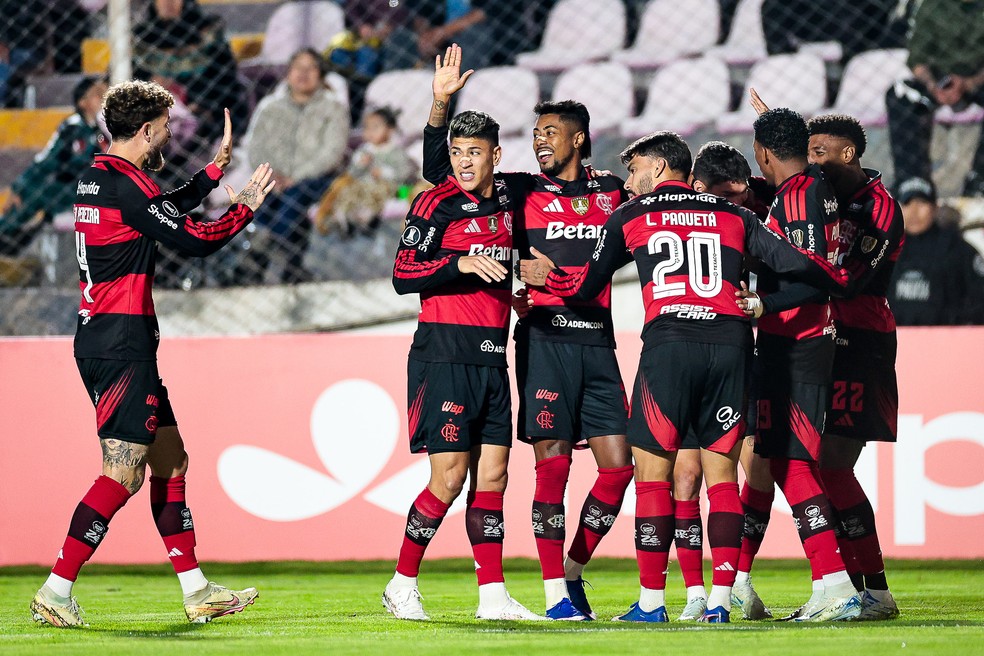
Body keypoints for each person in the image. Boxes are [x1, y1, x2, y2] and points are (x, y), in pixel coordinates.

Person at [519, 131, 851, 624]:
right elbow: (799, 265)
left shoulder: (631, 215)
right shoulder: (736, 216)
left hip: (670, 346)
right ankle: (718, 603)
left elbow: (587, 286)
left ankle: (653, 603)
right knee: (721, 475)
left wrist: (547, 277)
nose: (628, 182)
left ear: (656, 169)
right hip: (732, 346)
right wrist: (828, 279)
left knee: (654, 476)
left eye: (633, 171)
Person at [30, 80, 276, 627]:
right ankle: (56, 588)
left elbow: (154, 211)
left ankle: (197, 590)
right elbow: (197, 239)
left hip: (106, 336)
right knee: (121, 471)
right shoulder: (128, 186)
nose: (170, 133)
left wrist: (211, 175)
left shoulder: (99, 178)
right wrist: (244, 209)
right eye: (166, 126)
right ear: (146, 131)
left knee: (171, 460)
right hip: (121, 344)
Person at [421, 45, 632, 621]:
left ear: (579, 140)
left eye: (551, 133)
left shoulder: (613, 191)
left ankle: (573, 567)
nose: (541, 142)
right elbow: (443, 174)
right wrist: (441, 105)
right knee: (553, 464)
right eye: (536, 133)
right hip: (542, 340)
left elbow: (665, 208)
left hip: (598, 340)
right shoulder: (519, 190)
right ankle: (555, 595)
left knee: (619, 468)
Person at [383, 109, 541, 622]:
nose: (465, 162)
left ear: (495, 155)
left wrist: (516, 282)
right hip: (445, 353)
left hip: (493, 356)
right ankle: (402, 584)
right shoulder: (435, 202)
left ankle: (493, 597)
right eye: (457, 152)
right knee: (448, 479)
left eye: (475, 152)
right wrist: (460, 262)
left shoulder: (511, 197)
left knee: (493, 476)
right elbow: (403, 274)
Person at [731, 107, 863, 622]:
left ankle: (833, 584)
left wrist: (766, 305)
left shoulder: (800, 194)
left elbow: (818, 276)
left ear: (762, 153)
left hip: (799, 342)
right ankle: (739, 580)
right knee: (766, 462)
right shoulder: (808, 188)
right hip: (795, 341)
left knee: (791, 462)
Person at [667, 140, 775, 622]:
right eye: (727, 198)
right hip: (687, 355)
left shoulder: (757, 216)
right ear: (697, 187)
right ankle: (694, 592)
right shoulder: (673, 220)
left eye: (742, 197)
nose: (737, 205)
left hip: (740, 358)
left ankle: (738, 579)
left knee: (756, 473)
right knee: (686, 475)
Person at [238, 48, 350, 284]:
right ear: (288, 74)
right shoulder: (269, 107)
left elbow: (332, 152)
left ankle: (261, 251)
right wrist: (272, 176)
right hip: (272, 177)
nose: (303, 74)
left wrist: (295, 176)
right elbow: (254, 147)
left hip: (314, 177)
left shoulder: (333, 107)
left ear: (320, 75)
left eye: (311, 68)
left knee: (295, 196)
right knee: (262, 200)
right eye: (298, 68)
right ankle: (289, 265)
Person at [884, 0, 984, 196]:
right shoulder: (932, 5)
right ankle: (913, 182)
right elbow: (916, 58)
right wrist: (933, 85)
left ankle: (979, 181)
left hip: (978, 79)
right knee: (899, 93)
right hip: (938, 80)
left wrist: (969, 83)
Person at [0, 77, 107, 257]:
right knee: (35, 195)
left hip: (95, 190)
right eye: (98, 95)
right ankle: (8, 244)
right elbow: (47, 160)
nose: (105, 98)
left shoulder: (108, 129)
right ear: (83, 103)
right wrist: (20, 187)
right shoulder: (72, 128)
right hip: (68, 189)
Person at [888, 177, 984, 324]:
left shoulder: (957, 249)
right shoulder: (885, 249)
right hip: (893, 339)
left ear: (934, 208)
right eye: (907, 203)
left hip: (947, 341)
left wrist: (959, 324)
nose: (914, 212)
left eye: (921, 203)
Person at [314, 107, 415, 237]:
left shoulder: (395, 152)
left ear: (390, 130)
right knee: (349, 190)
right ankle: (342, 215)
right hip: (361, 183)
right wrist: (361, 165)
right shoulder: (364, 150)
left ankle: (366, 215)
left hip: (384, 185)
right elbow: (352, 171)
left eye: (375, 128)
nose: (370, 132)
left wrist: (383, 172)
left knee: (379, 192)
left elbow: (404, 172)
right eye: (367, 128)